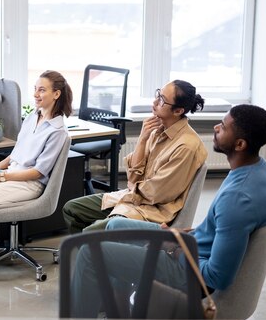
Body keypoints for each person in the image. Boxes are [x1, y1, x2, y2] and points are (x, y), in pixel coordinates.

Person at [71, 104, 266, 318]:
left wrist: (177, 249)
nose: (216, 127)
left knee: (90, 253)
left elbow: (217, 277)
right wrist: (186, 236)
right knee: (116, 225)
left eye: (224, 127)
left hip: (190, 274)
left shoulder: (238, 198)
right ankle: (118, 311)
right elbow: (221, 228)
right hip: (192, 249)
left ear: (240, 144)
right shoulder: (263, 170)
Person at [63, 80, 208, 232]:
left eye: (162, 100)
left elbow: (156, 194)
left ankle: (93, 250)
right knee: (71, 210)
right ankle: (93, 252)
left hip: (152, 212)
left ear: (178, 111)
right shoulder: (157, 129)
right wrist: (142, 138)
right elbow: (134, 177)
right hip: (134, 198)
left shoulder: (186, 146)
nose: (154, 101)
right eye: (158, 94)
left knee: (90, 232)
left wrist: (133, 186)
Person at [0, 70, 72, 214]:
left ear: (56, 94)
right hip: (11, 172)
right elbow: (17, 152)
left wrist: (2, 176)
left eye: (42, 90)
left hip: (29, 184)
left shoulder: (57, 131)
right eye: (35, 89)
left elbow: (37, 173)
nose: (35, 94)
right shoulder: (32, 116)